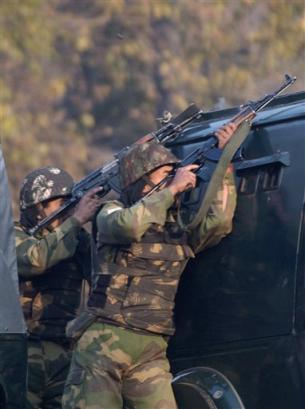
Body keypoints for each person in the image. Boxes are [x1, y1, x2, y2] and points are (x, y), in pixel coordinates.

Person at [62, 123, 238, 409]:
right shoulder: (111, 212)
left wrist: (224, 159)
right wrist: (171, 189)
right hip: (103, 343)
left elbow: (219, 222)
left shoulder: (178, 227)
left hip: (150, 347)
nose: (175, 179)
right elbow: (128, 226)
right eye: (164, 175)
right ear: (143, 183)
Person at [15, 166, 103, 409]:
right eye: (58, 204)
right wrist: (75, 221)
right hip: (22, 352)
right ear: (35, 208)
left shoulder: (75, 237)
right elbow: (34, 259)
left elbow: (102, 278)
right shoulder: (14, 235)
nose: (65, 210)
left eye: (69, 203)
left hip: (63, 351)